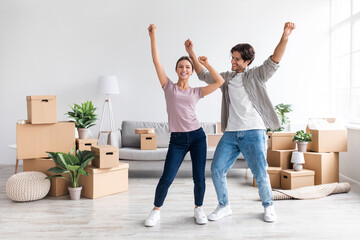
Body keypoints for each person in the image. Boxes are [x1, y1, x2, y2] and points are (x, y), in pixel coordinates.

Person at [185, 22, 296, 222]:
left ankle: (268, 206)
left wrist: (285, 36)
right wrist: (191, 53)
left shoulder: (257, 75)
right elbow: (204, 75)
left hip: (254, 131)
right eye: (232, 58)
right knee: (217, 168)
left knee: (259, 172)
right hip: (231, 133)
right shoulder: (226, 78)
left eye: (237, 59)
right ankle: (224, 205)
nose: (233, 61)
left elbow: (275, 59)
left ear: (247, 61)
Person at [145, 24, 225, 227]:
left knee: (199, 178)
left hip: (198, 137)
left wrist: (205, 63)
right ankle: (156, 211)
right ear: (176, 70)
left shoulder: (196, 92)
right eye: (181, 66)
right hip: (178, 140)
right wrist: (153, 36)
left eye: (187, 67)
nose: (184, 69)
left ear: (191, 72)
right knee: (167, 177)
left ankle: (199, 209)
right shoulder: (168, 87)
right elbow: (156, 61)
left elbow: (220, 81)